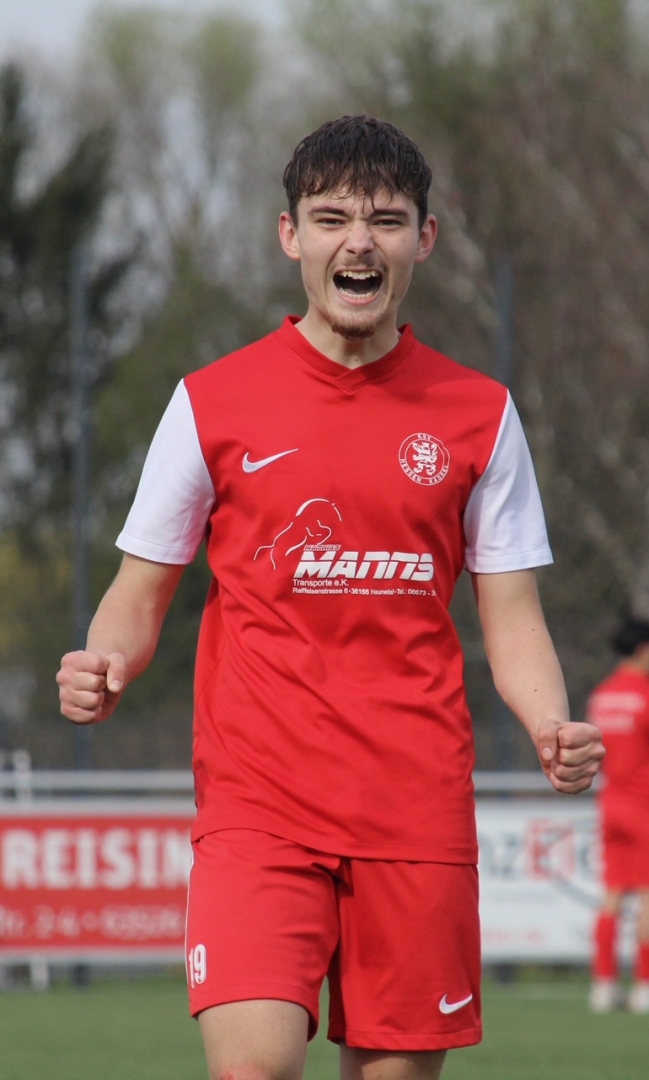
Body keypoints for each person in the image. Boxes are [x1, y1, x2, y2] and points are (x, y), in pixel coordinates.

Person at [57, 115, 604, 1080]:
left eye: (386, 221)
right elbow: (138, 593)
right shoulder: (211, 402)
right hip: (258, 804)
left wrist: (549, 722)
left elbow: (511, 612)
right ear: (291, 236)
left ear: (423, 240)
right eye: (332, 218)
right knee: (254, 1065)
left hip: (416, 809)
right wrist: (105, 662)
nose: (360, 242)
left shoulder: (480, 415)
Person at [587, 615, 649, 1014]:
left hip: (610, 803)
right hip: (644, 805)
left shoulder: (602, 694)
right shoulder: (645, 693)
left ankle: (603, 985)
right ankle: (644, 987)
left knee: (612, 894)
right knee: (646, 896)